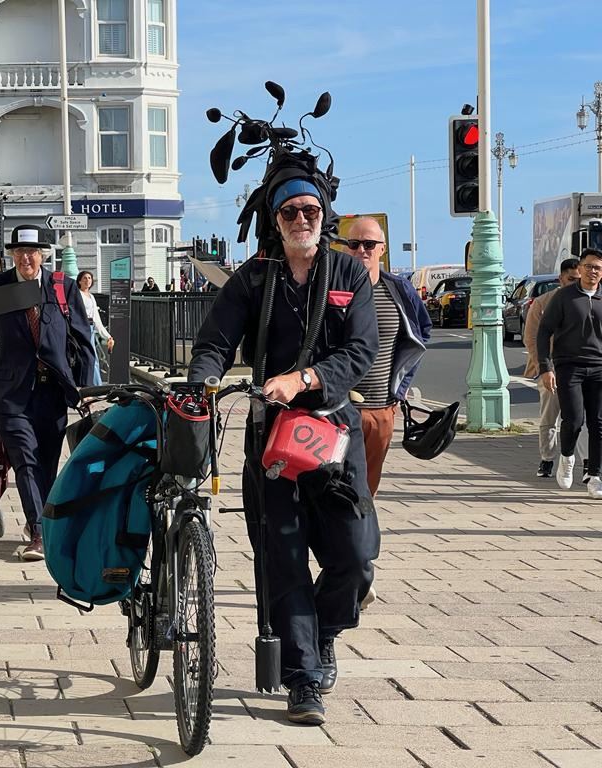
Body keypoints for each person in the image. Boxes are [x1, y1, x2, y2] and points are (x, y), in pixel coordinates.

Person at [189, 177, 378, 726]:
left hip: (332, 434)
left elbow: (360, 349)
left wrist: (305, 378)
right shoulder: (252, 279)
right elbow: (216, 343)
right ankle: (302, 681)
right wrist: (202, 383)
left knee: (356, 554)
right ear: (276, 221)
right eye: (291, 211)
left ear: (324, 215)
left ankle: (322, 632)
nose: (302, 219)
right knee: (283, 558)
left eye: (311, 210)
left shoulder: (347, 273)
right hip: (271, 437)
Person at [0, 225, 95, 560]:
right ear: (12, 255)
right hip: (11, 392)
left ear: (42, 254)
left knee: (47, 463)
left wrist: (85, 385)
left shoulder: (61, 287)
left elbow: (82, 339)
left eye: (32, 252)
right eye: (20, 253)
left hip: (52, 389)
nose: (26, 258)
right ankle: (39, 533)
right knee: (25, 459)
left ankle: (39, 519)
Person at [345, 218, 432, 497]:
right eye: (354, 244)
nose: (362, 250)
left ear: (382, 249)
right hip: (339, 410)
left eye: (369, 244)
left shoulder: (398, 290)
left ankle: (362, 537)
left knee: (367, 490)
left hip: (382, 408)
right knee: (337, 487)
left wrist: (401, 386)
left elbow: (421, 333)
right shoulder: (334, 290)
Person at [537, 247, 602, 498]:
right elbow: (544, 331)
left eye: (597, 268)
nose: (592, 272)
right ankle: (566, 458)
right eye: (588, 267)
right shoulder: (564, 297)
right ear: (580, 269)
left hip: (598, 367)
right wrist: (546, 367)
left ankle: (595, 475)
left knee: (597, 423)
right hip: (568, 366)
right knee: (574, 420)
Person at [524, 259, 587, 480]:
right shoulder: (543, 302)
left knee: (581, 418)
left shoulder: (586, 300)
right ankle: (547, 459)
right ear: (560, 278)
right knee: (550, 417)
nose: (575, 283)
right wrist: (543, 366)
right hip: (551, 368)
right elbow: (531, 337)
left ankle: (587, 463)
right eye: (571, 279)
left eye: (578, 280)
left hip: (580, 369)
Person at [77, 270, 114, 386]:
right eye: (85, 278)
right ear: (79, 281)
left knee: (94, 358)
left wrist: (107, 336)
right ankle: (93, 386)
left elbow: (97, 319)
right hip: (82, 328)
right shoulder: (78, 295)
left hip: (91, 328)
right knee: (91, 358)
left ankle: (95, 386)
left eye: (89, 278)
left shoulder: (91, 296)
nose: (87, 280)